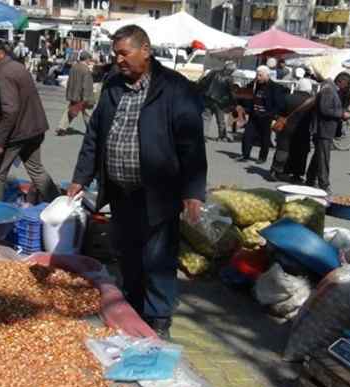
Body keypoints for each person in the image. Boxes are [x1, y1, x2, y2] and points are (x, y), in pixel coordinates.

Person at [67, 25, 207, 339]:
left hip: (158, 192)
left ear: (146, 50)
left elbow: (192, 145)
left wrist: (193, 191)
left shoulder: (175, 89)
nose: (118, 60)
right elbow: (94, 135)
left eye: (124, 53)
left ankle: (159, 319)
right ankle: (130, 305)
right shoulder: (114, 85)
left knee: (157, 258)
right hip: (120, 190)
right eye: (115, 53)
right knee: (127, 253)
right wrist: (80, 176)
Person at [0, 38, 60, 202]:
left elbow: (10, 110)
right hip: (33, 129)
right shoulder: (17, 66)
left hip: (16, 134)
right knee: (36, 170)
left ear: (1, 53)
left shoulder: (4, 74)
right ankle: (59, 205)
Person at [306, 72, 350, 193]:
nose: (346, 88)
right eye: (347, 85)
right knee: (324, 158)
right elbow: (325, 109)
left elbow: (331, 108)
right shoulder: (328, 90)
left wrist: (342, 111)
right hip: (323, 129)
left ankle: (310, 180)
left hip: (326, 129)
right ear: (341, 82)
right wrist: (342, 113)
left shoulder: (331, 89)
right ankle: (324, 184)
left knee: (318, 156)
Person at [237, 65, 284, 164]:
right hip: (254, 114)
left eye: (260, 75)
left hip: (266, 116)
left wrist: (272, 115)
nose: (258, 77)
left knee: (265, 138)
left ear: (267, 75)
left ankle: (262, 157)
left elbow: (279, 104)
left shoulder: (275, 87)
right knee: (247, 136)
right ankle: (245, 154)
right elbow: (244, 93)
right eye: (257, 75)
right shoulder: (255, 84)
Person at [270, 79, 315, 182]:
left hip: (286, 128)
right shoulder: (312, 101)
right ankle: (296, 174)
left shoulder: (288, 97)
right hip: (302, 130)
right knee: (300, 152)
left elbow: (279, 112)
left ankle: (277, 170)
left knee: (283, 150)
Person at [56, 51, 95, 136]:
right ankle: (92, 131)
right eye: (89, 59)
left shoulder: (74, 67)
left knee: (70, 111)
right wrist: (87, 98)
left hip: (74, 94)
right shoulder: (86, 70)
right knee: (88, 114)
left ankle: (61, 127)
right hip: (83, 96)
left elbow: (70, 81)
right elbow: (87, 86)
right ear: (87, 59)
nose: (89, 61)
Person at [198, 60, 237, 142]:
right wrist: (234, 103)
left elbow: (204, 82)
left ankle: (203, 135)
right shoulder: (229, 78)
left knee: (206, 118)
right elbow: (231, 92)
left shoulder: (213, 72)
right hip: (220, 101)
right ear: (231, 70)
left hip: (208, 98)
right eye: (233, 71)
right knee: (220, 119)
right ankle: (222, 136)